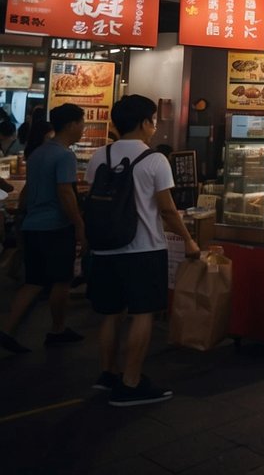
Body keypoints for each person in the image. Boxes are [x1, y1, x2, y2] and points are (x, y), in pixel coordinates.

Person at [86, 94, 199, 406]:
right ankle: (131, 382)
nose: (155, 126)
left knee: (110, 314)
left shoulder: (100, 156)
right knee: (142, 314)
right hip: (143, 249)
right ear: (143, 122)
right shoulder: (154, 160)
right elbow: (167, 210)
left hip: (105, 248)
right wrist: (189, 240)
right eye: (153, 120)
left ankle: (107, 374)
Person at [0, 104, 87, 354]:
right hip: (55, 226)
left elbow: (28, 190)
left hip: (33, 225)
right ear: (71, 125)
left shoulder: (38, 153)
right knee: (61, 279)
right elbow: (65, 193)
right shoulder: (64, 156)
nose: (83, 129)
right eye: (81, 123)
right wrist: (79, 224)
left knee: (34, 281)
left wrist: (22, 213)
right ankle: (57, 329)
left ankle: (8, 329)